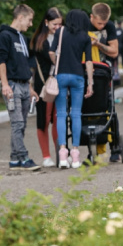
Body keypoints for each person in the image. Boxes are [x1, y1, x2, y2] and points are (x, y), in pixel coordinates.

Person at [0, 4, 39, 170]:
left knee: (22, 124)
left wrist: (30, 87)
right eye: (29, 20)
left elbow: (25, 64)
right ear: (20, 17)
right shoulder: (4, 36)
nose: (31, 24)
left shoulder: (22, 39)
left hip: (25, 85)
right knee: (17, 123)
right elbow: (1, 61)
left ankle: (14, 159)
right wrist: (5, 84)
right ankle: (24, 157)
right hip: (12, 85)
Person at [51, 9, 94, 168]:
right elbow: (88, 62)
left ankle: (63, 153)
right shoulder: (85, 37)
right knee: (76, 114)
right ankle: (75, 155)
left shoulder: (60, 32)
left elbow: (51, 51)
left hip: (61, 76)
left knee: (61, 114)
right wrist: (90, 83)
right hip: (78, 76)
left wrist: (57, 63)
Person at [29, 7, 62, 168]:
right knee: (43, 120)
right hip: (43, 85)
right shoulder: (38, 40)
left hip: (60, 83)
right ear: (46, 22)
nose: (57, 27)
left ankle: (60, 154)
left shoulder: (63, 37)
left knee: (58, 119)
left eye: (60, 24)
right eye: (55, 24)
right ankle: (46, 156)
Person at [88, 3, 121, 161]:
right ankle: (92, 148)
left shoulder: (110, 26)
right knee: (88, 109)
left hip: (103, 72)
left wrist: (98, 44)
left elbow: (114, 52)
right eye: (99, 23)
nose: (102, 26)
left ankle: (115, 147)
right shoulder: (84, 25)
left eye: (104, 23)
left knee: (109, 108)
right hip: (86, 70)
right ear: (91, 17)